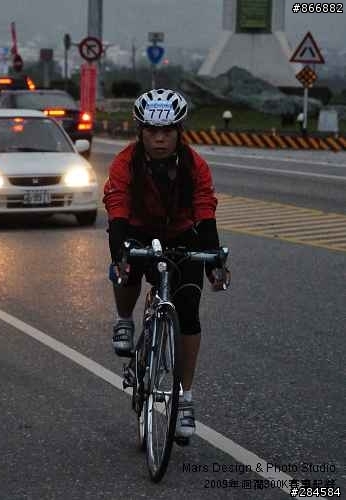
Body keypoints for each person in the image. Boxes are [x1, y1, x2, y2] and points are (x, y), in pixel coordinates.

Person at [103, 88, 230, 441]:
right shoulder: (125, 163)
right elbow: (117, 211)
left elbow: (205, 213)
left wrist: (214, 263)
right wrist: (120, 257)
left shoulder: (195, 165)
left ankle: (185, 398)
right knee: (126, 264)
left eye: (167, 131)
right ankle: (124, 320)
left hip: (181, 236)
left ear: (179, 132)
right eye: (152, 131)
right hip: (138, 230)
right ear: (140, 132)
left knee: (189, 312)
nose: (160, 139)